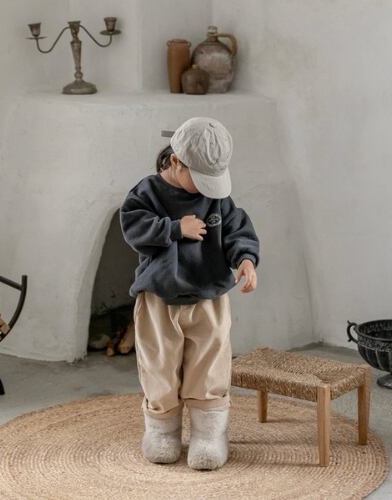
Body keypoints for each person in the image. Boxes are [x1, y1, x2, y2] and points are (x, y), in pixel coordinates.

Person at [120, 116, 260, 470]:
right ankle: (162, 431)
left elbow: (237, 229)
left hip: (208, 295)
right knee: (159, 364)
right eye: (200, 179)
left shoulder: (217, 199)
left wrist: (246, 260)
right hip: (158, 298)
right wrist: (173, 228)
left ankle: (209, 434)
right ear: (176, 162)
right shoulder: (147, 192)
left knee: (209, 364)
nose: (206, 190)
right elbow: (133, 227)